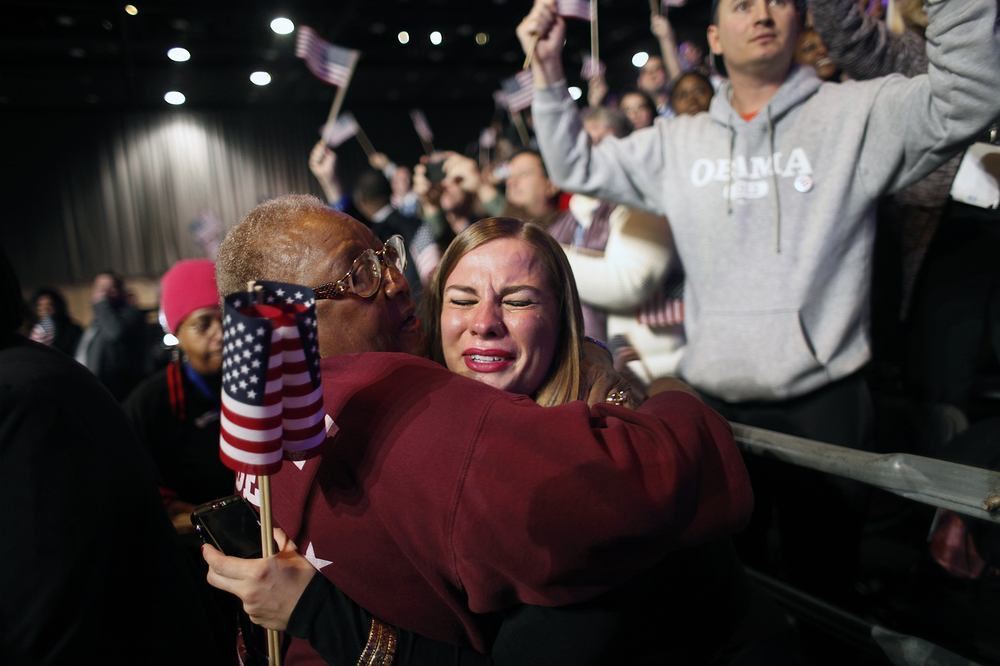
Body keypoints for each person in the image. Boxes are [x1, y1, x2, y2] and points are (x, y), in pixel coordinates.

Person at [519, 0, 1000, 599]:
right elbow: (574, 163)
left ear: (800, 23)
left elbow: (969, 98)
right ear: (716, 37)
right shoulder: (677, 141)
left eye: (778, 1)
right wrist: (545, 72)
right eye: (743, 5)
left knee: (824, 589)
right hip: (717, 406)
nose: (764, 13)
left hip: (826, 403)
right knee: (728, 592)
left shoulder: (857, 112)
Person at [204, 195, 753, 664]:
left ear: (563, 320)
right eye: (363, 272)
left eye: (518, 300)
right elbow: (658, 475)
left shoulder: (268, 400)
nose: (395, 282)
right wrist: (672, 395)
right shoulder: (421, 413)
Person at [0, 250, 218, 665]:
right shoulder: (149, 402)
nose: (221, 335)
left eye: (226, 319)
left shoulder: (22, 395)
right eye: (203, 323)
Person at [74, 270, 147, 400]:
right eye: (101, 288)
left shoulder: (130, 314)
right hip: (95, 388)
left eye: (110, 288)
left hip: (118, 390)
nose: (104, 293)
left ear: (121, 291)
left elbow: (115, 332)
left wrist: (102, 304)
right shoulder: (97, 321)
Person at [28, 287, 82, 355]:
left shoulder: (73, 330)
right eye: (40, 305)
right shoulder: (31, 330)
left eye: (49, 304)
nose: (45, 309)